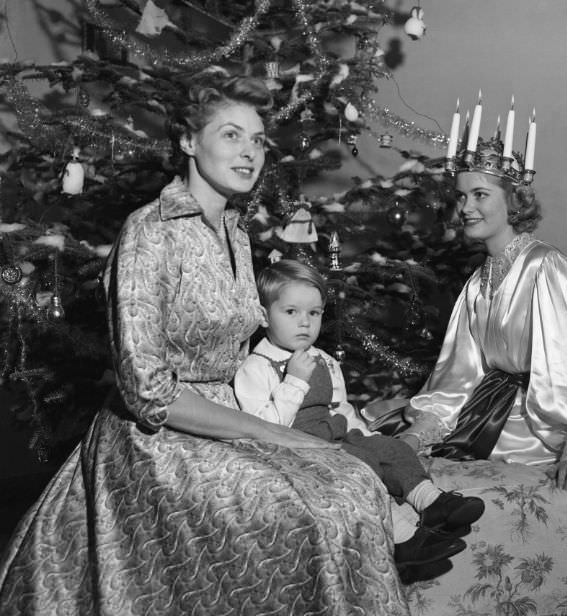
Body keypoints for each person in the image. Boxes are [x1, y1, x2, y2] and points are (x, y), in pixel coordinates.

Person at [0, 74, 412, 614]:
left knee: (353, 478)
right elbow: (148, 391)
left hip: (233, 411)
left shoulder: (238, 232)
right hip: (156, 435)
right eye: (232, 135)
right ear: (190, 142)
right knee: (325, 504)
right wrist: (274, 435)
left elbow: (248, 357)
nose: (249, 152)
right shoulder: (150, 230)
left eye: (258, 140)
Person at [234, 258, 486, 583]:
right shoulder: (256, 367)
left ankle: (431, 501)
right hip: (295, 448)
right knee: (361, 464)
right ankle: (403, 539)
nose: (304, 323)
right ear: (265, 315)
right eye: (291, 312)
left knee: (388, 448)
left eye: (314, 313)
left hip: (334, 434)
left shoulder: (322, 360)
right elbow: (264, 428)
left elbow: (342, 410)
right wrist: (294, 381)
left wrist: (368, 438)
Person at [401, 137, 567, 490]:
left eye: (480, 194)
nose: (465, 208)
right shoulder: (478, 281)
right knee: (384, 426)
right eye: (462, 196)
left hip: (535, 425)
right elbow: (457, 374)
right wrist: (416, 437)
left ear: (513, 201)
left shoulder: (547, 267)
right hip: (487, 409)